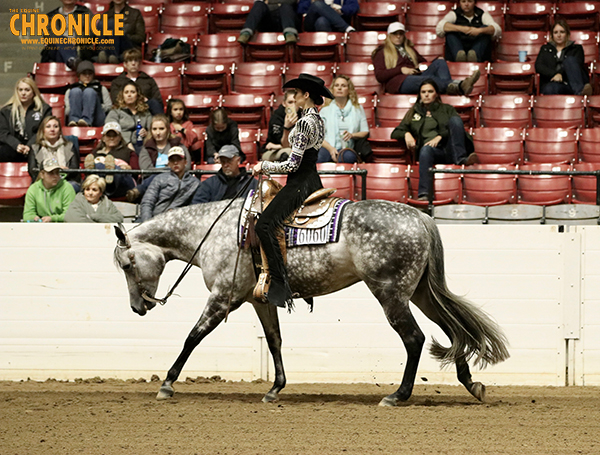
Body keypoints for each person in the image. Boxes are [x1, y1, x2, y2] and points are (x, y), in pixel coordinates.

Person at [252, 73, 333, 308]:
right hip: (311, 179)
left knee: (264, 225)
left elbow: (292, 165)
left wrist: (264, 165)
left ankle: (279, 282)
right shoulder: (317, 119)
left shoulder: (305, 123)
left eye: (296, 93)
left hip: (300, 183)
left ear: (306, 95)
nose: (292, 97)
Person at [391, 79, 476, 201]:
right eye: (423, 92)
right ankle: (424, 194)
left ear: (436, 94)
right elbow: (395, 132)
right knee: (426, 150)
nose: (426, 94)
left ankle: (461, 159)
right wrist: (406, 134)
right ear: (419, 94)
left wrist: (440, 136)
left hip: (450, 148)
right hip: (431, 153)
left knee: (455, 120)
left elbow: (456, 129)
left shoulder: (446, 109)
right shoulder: (413, 113)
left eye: (430, 91)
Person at [372, 22, 480, 95]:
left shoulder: (409, 49)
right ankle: (460, 85)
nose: (398, 36)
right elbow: (380, 76)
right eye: (395, 34)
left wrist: (432, 62)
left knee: (440, 62)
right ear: (389, 36)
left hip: (415, 76)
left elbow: (423, 62)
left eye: (401, 33)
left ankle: (450, 88)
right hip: (399, 82)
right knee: (427, 81)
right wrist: (400, 69)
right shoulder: (382, 52)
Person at [317, 75, 372, 163]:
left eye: (343, 86)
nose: (339, 88)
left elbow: (365, 131)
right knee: (319, 157)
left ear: (349, 90)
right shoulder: (324, 110)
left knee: (348, 158)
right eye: (337, 85)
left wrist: (352, 135)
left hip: (347, 147)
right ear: (333, 89)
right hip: (328, 146)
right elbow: (318, 136)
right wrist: (331, 149)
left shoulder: (358, 109)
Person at [138, 147, 200, 222]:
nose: (175, 163)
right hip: (154, 219)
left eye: (179, 159)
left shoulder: (195, 183)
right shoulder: (159, 179)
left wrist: (177, 212)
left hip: (178, 221)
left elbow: (194, 207)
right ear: (168, 164)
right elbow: (147, 201)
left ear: (185, 162)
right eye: (172, 160)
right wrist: (147, 222)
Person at [535, 20, 593, 96]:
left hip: (572, 83)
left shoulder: (576, 48)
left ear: (567, 34)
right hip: (556, 83)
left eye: (562, 32)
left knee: (570, 60)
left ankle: (580, 93)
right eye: (556, 32)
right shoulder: (545, 49)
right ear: (552, 35)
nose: (559, 35)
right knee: (550, 88)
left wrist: (560, 74)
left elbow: (578, 64)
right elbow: (539, 66)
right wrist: (555, 75)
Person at [0, 78, 51, 162]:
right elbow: (3, 133)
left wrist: (30, 146)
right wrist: (16, 145)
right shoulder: (6, 111)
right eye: (20, 90)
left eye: (27, 90)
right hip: (13, 148)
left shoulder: (44, 109)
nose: (23, 93)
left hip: (36, 147)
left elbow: (43, 131)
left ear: (33, 92)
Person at [436, 0, 501, 63]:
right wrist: (462, 29)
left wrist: (479, 30)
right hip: (458, 47)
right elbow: (440, 27)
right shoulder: (454, 14)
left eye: (470, 1)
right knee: (450, 32)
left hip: (477, 47)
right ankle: (460, 56)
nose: (466, 4)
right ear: (460, 3)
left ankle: (474, 56)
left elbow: (497, 29)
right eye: (463, 1)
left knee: (485, 29)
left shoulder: (482, 14)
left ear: (475, 3)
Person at [84, 122, 138, 198]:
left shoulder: (128, 152)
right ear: (103, 138)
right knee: (98, 167)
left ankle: (109, 176)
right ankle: (105, 176)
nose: (111, 138)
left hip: (123, 183)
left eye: (115, 135)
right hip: (98, 183)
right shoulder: (95, 153)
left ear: (120, 137)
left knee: (114, 169)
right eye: (108, 135)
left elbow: (136, 172)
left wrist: (128, 168)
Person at [28, 116, 81, 190]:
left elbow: (74, 169)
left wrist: (61, 173)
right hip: (43, 182)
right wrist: (49, 174)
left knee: (71, 186)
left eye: (55, 126)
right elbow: (32, 171)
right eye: (48, 127)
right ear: (43, 130)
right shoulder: (35, 148)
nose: (52, 130)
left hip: (66, 180)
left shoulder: (70, 146)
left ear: (59, 130)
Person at [192, 145, 257, 204]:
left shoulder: (252, 184)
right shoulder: (209, 184)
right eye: (223, 161)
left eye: (229, 161)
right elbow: (197, 206)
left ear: (238, 160)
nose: (226, 165)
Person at [39, 0, 95, 69]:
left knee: (59, 53)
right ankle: (71, 60)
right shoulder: (50, 16)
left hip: (78, 47)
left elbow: (90, 33)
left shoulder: (85, 13)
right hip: (55, 47)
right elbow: (49, 35)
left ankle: (69, 62)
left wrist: (76, 40)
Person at [109, 48, 163, 115]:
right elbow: (116, 100)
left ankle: (160, 124)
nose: (133, 63)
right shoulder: (117, 82)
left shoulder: (148, 80)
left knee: (154, 103)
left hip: (145, 109)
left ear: (140, 63)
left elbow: (158, 99)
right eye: (130, 60)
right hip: (125, 110)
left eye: (136, 61)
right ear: (125, 64)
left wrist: (145, 101)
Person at [22, 158, 76, 222]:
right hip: (40, 226)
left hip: (63, 227)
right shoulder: (33, 189)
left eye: (57, 172)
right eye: (51, 173)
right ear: (42, 174)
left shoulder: (67, 188)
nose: (55, 176)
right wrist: (34, 218)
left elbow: (70, 215)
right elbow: (27, 214)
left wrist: (52, 218)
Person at [105, 81, 152, 151]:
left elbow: (153, 129)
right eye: (126, 92)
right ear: (122, 95)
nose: (129, 95)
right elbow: (111, 131)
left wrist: (147, 134)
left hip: (142, 144)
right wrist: (127, 143)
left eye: (132, 92)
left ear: (138, 95)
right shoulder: (115, 112)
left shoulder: (145, 113)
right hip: (121, 146)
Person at [65, 61, 112, 127]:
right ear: (79, 75)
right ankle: (74, 120)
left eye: (90, 74)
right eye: (84, 73)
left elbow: (109, 106)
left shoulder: (101, 88)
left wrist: (92, 105)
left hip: (97, 117)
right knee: (75, 91)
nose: (87, 76)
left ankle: (86, 121)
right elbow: (67, 111)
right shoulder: (71, 90)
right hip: (77, 114)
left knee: (89, 91)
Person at [261, 89, 297, 162]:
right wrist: (286, 127)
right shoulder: (277, 117)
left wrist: (276, 146)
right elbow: (285, 145)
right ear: (284, 103)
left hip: (292, 149)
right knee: (289, 152)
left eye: (296, 102)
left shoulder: (304, 115)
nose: (293, 105)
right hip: (273, 152)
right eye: (290, 102)